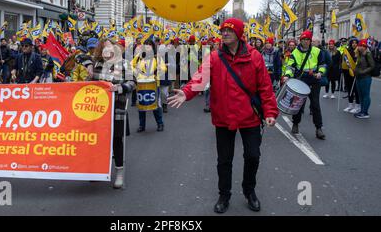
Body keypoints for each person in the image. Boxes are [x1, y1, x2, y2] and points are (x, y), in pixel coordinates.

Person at [168, 18, 278, 214]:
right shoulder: (215, 57)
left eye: (229, 30)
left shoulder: (254, 57)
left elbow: (265, 87)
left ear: (239, 34)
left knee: (253, 156)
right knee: (224, 160)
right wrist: (186, 92)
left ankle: (249, 190)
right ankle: (224, 195)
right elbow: (200, 78)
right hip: (224, 117)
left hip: (250, 117)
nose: (224, 33)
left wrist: (270, 111)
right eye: (223, 31)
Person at [91, 38, 136, 189]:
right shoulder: (96, 65)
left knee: (116, 141)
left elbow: (133, 82)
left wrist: (121, 88)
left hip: (117, 108)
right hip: (97, 110)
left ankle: (119, 174)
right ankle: (98, 170)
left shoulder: (124, 64)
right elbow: (89, 84)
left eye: (109, 48)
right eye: (103, 48)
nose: (107, 51)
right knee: (97, 141)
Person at [283, 30, 327, 140]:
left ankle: (319, 128)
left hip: (314, 80)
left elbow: (322, 64)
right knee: (298, 104)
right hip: (301, 80)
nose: (306, 42)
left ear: (310, 40)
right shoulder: (295, 53)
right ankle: (295, 124)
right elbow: (290, 66)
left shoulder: (317, 51)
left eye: (307, 39)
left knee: (315, 105)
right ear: (300, 41)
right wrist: (287, 75)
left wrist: (320, 73)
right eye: (303, 40)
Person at [133, 37, 166, 132]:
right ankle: (141, 126)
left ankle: (160, 124)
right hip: (141, 84)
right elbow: (132, 66)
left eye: (149, 46)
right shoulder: (139, 57)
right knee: (141, 106)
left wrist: (156, 74)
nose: (147, 48)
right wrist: (137, 74)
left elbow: (163, 68)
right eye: (146, 46)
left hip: (154, 84)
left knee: (156, 105)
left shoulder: (157, 57)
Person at [354, 39, 375, 119]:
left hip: (365, 78)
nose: (361, 47)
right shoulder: (359, 54)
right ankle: (362, 111)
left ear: (366, 47)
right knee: (360, 95)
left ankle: (365, 112)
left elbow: (372, 66)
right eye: (360, 46)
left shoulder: (368, 54)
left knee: (365, 95)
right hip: (358, 77)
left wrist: (363, 72)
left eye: (363, 46)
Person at [342, 38, 360, 113]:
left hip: (356, 73)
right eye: (353, 43)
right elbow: (343, 60)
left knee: (356, 90)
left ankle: (357, 106)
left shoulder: (359, 52)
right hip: (347, 72)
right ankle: (350, 105)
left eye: (356, 43)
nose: (354, 44)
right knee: (349, 89)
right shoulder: (347, 51)